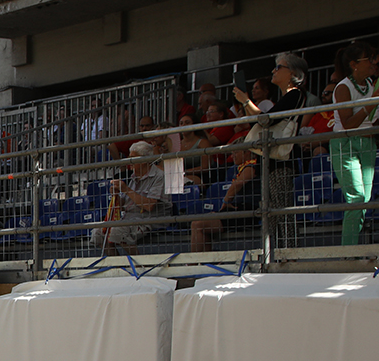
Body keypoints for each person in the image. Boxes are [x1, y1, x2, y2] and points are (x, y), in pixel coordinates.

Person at [192, 53, 309, 252]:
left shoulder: (295, 94)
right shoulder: (286, 96)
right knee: (270, 212)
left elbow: (266, 120)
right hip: (269, 160)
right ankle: (272, 253)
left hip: (281, 162)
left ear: (292, 72)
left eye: (279, 67)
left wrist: (246, 101)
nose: (274, 71)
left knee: (282, 210)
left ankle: (289, 253)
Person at [330, 41, 379, 246]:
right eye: (370, 59)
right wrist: (371, 103)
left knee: (363, 200)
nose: (374, 63)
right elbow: (349, 124)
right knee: (356, 199)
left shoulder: (370, 84)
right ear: (354, 64)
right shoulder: (343, 87)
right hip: (345, 143)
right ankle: (347, 252)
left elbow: (373, 119)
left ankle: (351, 249)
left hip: (367, 142)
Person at [90, 141, 170, 255]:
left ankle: (138, 266)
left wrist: (126, 190)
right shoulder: (133, 177)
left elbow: (149, 205)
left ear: (145, 160)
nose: (129, 161)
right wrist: (116, 196)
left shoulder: (159, 176)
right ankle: (118, 266)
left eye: (133, 157)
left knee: (117, 231)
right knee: (98, 232)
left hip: (149, 220)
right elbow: (123, 205)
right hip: (128, 219)